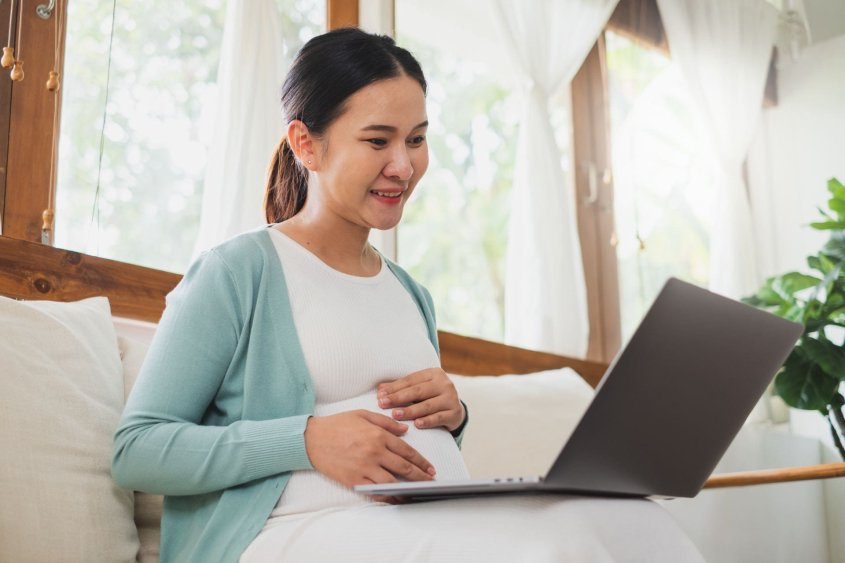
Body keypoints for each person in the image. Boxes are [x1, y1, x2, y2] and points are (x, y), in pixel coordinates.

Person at [113, 26, 705, 563]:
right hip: (286, 535)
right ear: (305, 144)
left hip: (421, 524)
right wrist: (307, 439)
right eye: (378, 141)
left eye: (417, 139)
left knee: (631, 519)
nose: (404, 165)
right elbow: (137, 450)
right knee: (546, 548)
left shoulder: (410, 293)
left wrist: (455, 415)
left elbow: (413, 442)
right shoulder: (237, 272)